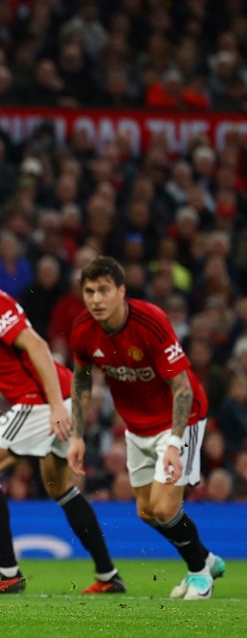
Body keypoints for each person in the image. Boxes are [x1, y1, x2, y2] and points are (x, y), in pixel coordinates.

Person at [0, 234, 121, 595]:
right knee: (60, 486)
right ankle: (109, 576)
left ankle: (7, 571)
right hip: (56, 396)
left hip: (42, 399)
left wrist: (57, 405)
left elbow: (38, 345)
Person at [67, 257, 225, 600]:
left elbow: (182, 388)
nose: (96, 299)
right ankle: (206, 558)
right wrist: (77, 435)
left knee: (166, 508)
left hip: (179, 418)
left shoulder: (150, 322)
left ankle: (200, 573)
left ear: (121, 291)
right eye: (89, 291)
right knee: (146, 511)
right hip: (136, 425)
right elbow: (81, 380)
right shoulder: (82, 329)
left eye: (104, 290)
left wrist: (173, 444)